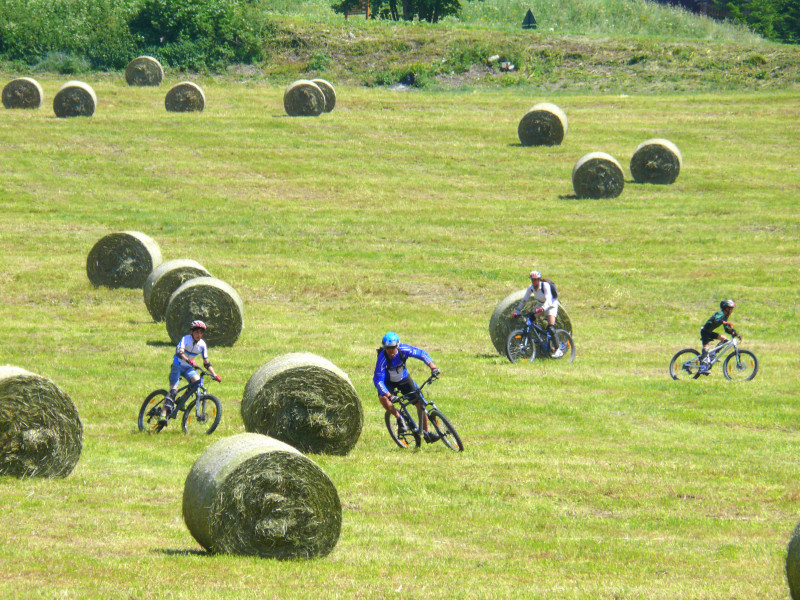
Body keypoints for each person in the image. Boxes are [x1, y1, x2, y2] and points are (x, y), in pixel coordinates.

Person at [373, 332, 441, 443]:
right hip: (388, 382)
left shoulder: (403, 349)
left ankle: (426, 433)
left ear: (397, 345)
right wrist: (389, 395)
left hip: (403, 379)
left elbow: (421, 354)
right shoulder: (382, 359)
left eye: (393, 347)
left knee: (421, 403)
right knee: (383, 398)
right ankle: (399, 417)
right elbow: (378, 380)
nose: (391, 351)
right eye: (388, 348)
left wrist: (433, 368)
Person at [160, 320, 221, 425]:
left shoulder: (202, 345)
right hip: (177, 365)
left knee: (197, 383)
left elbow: (206, 363)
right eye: (197, 332)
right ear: (192, 332)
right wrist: (188, 360)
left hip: (188, 368)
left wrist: (214, 374)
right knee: (173, 391)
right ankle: (163, 414)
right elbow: (179, 353)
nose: (199, 335)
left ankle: (181, 400)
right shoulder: (185, 339)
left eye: (201, 333)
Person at [511, 270, 562, 357]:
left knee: (551, 328)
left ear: (539, 279)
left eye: (535, 279)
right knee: (530, 318)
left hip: (551, 305)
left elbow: (549, 300)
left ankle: (558, 349)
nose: (533, 281)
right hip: (540, 305)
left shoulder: (545, 285)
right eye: (532, 279)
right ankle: (538, 338)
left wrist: (542, 308)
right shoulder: (530, 288)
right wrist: (517, 311)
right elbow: (524, 300)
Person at [698, 299, 738, 374]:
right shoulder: (720, 313)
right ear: (726, 308)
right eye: (731, 309)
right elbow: (716, 319)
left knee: (725, 340)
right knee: (706, 349)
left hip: (709, 332)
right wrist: (724, 322)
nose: (732, 311)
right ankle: (702, 368)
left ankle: (713, 354)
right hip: (705, 332)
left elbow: (726, 330)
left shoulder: (725, 316)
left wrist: (734, 333)